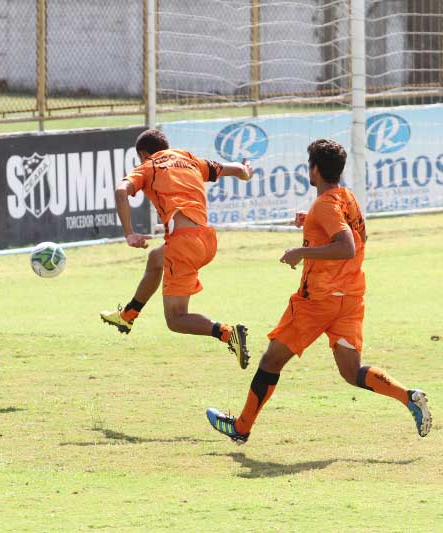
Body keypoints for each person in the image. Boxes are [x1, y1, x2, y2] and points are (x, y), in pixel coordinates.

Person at [206, 139, 432, 443]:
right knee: (352, 372)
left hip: (318, 302)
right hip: (349, 299)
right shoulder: (346, 198)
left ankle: (241, 428)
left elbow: (346, 246)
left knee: (271, 361)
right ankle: (408, 396)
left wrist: (302, 251)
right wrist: (311, 224)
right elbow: (355, 235)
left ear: (314, 169)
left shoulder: (325, 205)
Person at [107, 129, 254, 368]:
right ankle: (128, 316)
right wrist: (247, 171)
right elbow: (238, 170)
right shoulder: (188, 158)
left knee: (175, 319)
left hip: (184, 244)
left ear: (144, 154)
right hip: (206, 240)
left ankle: (228, 333)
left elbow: (120, 190)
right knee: (156, 259)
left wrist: (129, 233)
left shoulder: (149, 166)